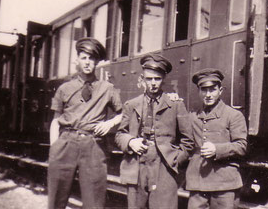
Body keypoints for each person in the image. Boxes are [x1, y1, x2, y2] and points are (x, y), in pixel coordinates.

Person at [48, 37, 123, 209]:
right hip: (65, 143)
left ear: (97, 62)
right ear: (77, 61)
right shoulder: (64, 88)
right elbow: (55, 120)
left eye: (91, 58)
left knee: (94, 202)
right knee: (56, 200)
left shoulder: (107, 88)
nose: (87, 62)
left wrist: (109, 123)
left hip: (93, 146)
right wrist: (54, 148)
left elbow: (122, 114)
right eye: (84, 58)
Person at [115, 54, 194, 209]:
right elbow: (119, 135)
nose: (153, 83)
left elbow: (188, 140)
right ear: (142, 79)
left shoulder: (175, 104)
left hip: (164, 167)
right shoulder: (131, 105)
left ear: (163, 79)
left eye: (157, 79)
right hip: (136, 167)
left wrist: (175, 161)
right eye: (149, 79)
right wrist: (131, 142)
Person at [185, 68, 248, 209]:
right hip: (198, 182)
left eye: (212, 90)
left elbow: (241, 146)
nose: (208, 95)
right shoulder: (192, 117)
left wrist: (217, 149)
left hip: (224, 183)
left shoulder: (233, 115)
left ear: (220, 90)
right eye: (204, 90)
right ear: (198, 91)